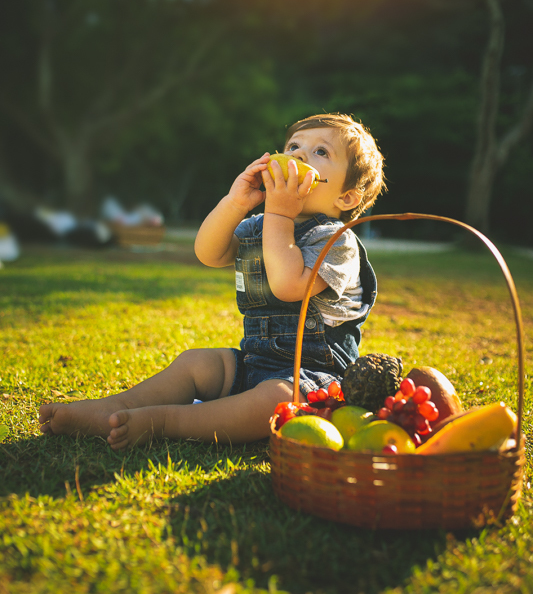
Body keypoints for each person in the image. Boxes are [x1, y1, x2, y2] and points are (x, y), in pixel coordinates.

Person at [39, 113, 386, 450]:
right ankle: (115, 407)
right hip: (254, 363)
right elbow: (210, 253)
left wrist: (280, 213)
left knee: (278, 401)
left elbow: (287, 284)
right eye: (293, 146)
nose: (297, 155)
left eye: (320, 152)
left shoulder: (337, 241)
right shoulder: (261, 224)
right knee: (196, 364)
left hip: (311, 381)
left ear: (347, 197)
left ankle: (167, 422)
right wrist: (235, 203)